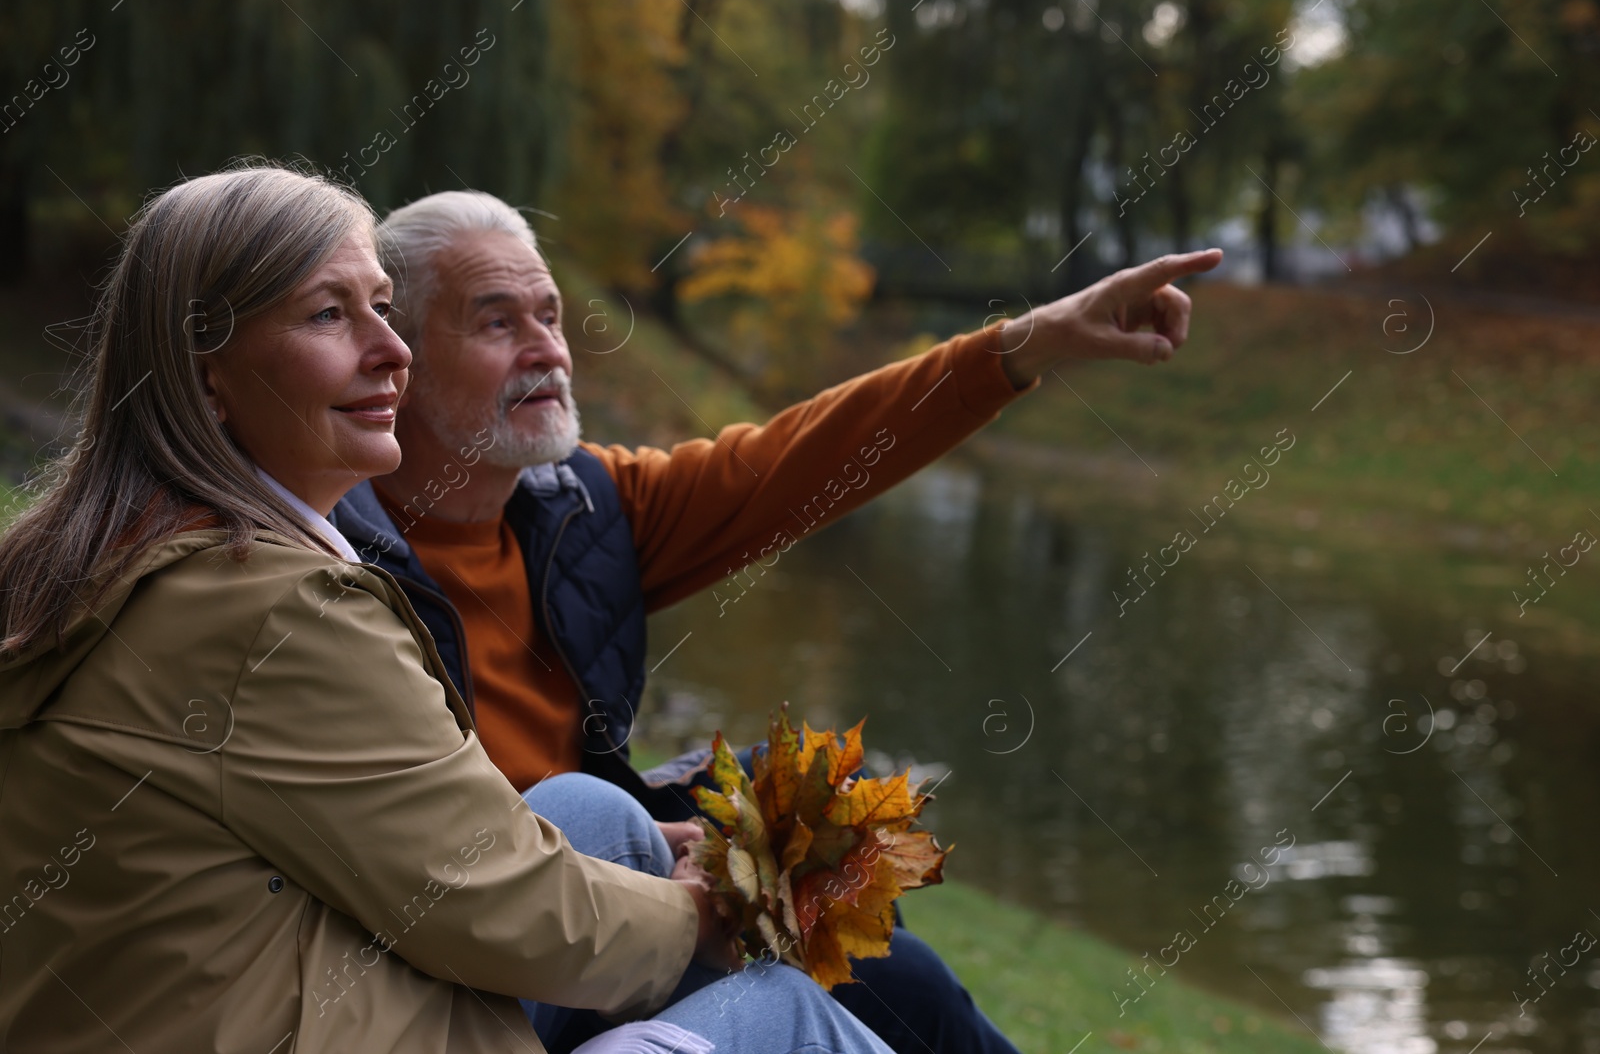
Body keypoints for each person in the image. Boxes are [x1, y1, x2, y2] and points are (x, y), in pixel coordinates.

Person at [0, 164, 898, 1054]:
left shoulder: (85, 549)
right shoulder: (275, 610)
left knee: (594, 812)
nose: (393, 352)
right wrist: (703, 909)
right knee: (785, 1010)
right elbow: (495, 898)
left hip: (208, 995)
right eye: (327, 314)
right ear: (206, 379)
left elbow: (433, 835)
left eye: (381, 308)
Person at [331, 189, 1223, 1054]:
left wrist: (1026, 345)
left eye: (552, 316)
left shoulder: (584, 508)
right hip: (483, 953)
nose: (549, 351)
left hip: (606, 880)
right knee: (906, 989)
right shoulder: (328, 561)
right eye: (497, 322)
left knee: (818, 831)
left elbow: (797, 462)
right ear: (394, 355)